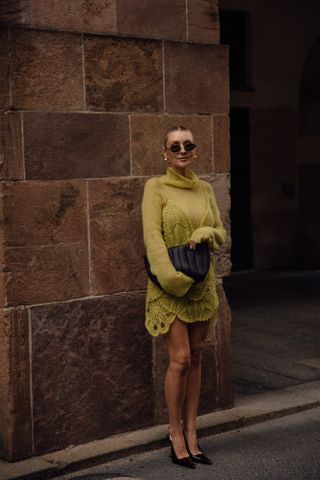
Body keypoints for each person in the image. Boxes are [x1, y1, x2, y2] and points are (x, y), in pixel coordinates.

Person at [141, 126, 227, 469]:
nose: (182, 149)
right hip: (170, 285)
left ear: (195, 150)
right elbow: (151, 237)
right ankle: (174, 433)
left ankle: (193, 432)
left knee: (195, 358)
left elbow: (220, 231)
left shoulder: (205, 188)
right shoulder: (156, 187)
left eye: (188, 144)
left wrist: (206, 231)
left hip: (202, 283)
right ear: (165, 152)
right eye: (175, 145)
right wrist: (172, 280)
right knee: (178, 359)